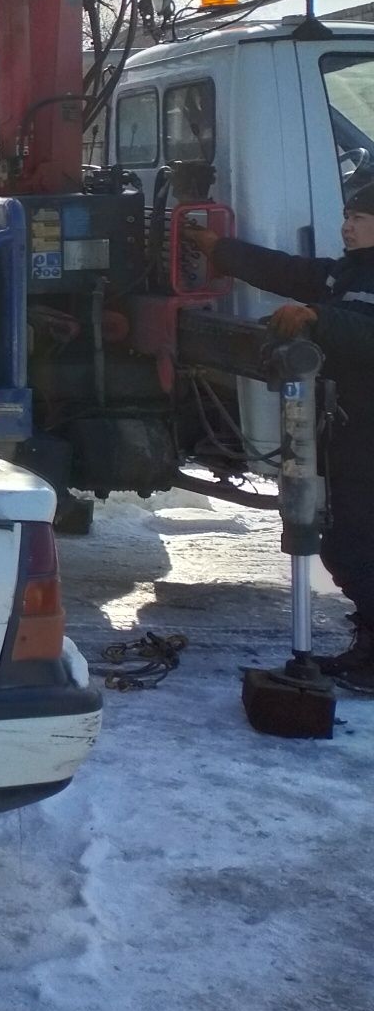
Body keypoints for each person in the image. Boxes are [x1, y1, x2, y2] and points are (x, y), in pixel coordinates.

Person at [186, 172, 374, 688]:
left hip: (367, 441)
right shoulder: (349, 273)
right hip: (346, 431)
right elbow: (288, 272)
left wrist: (318, 318)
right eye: (347, 217)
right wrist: (219, 248)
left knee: (355, 540)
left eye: (359, 219)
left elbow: (366, 331)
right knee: (340, 537)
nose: (347, 226)